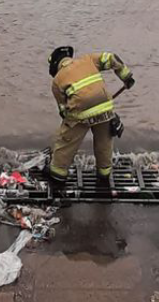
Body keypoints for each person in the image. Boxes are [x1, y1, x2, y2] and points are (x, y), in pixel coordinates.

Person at [39, 46, 134, 194]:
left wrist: (69, 122)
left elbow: (63, 109)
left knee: (66, 142)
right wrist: (126, 76)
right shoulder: (88, 60)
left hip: (80, 112)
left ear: (55, 65)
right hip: (105, 107)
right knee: (104, 142)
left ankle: (57, 175)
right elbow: (111, 57)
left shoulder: (57, 81)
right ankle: (103, 176)